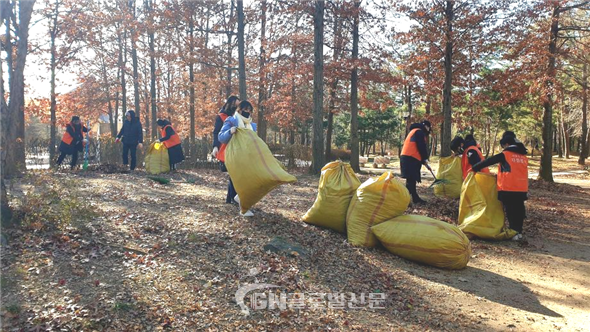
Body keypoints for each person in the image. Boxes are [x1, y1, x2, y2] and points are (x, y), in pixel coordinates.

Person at [472, 131, 528, 241]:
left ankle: (513, 231)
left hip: (509, 187)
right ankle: (519, 231)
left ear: (506, 144)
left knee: (511, 210)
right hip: (522, 188)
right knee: (519, 209)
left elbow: (488, 161)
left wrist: (474, 167)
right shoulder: (523, 156)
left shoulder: (505, 154)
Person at [218, 100, 257, 217]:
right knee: (239, 180)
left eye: (249, 110)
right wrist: (230, 131)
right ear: (239, 110)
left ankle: (239, 199)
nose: (247, 112)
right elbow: (221, 137)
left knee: (249, 179)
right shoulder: (231, 120)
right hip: (234, 155)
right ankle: (243, 207)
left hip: (247, 156)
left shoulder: (252, 125)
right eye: (245, 110)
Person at [212, 96, 240, 204]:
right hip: (226, 149)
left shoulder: (238, 117)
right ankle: (233, 198)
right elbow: (216, 132)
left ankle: (230, 198)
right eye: (235, 105)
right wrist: (215, 146)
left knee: (234, 174)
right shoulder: (222, 117)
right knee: (233, 174)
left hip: (238, 149)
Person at [400, 120, 431, 204]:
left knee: (410, 180)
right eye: (429, 128)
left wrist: (423, 161)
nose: (428, 130)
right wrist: (425, 158)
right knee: (411, 180)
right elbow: (421, 146)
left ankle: (410, 198)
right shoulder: (419, 132)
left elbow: (415, 147)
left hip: (406, 157)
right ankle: (412, 199)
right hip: (411, 158)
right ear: (426, 126)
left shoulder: (413, 131)